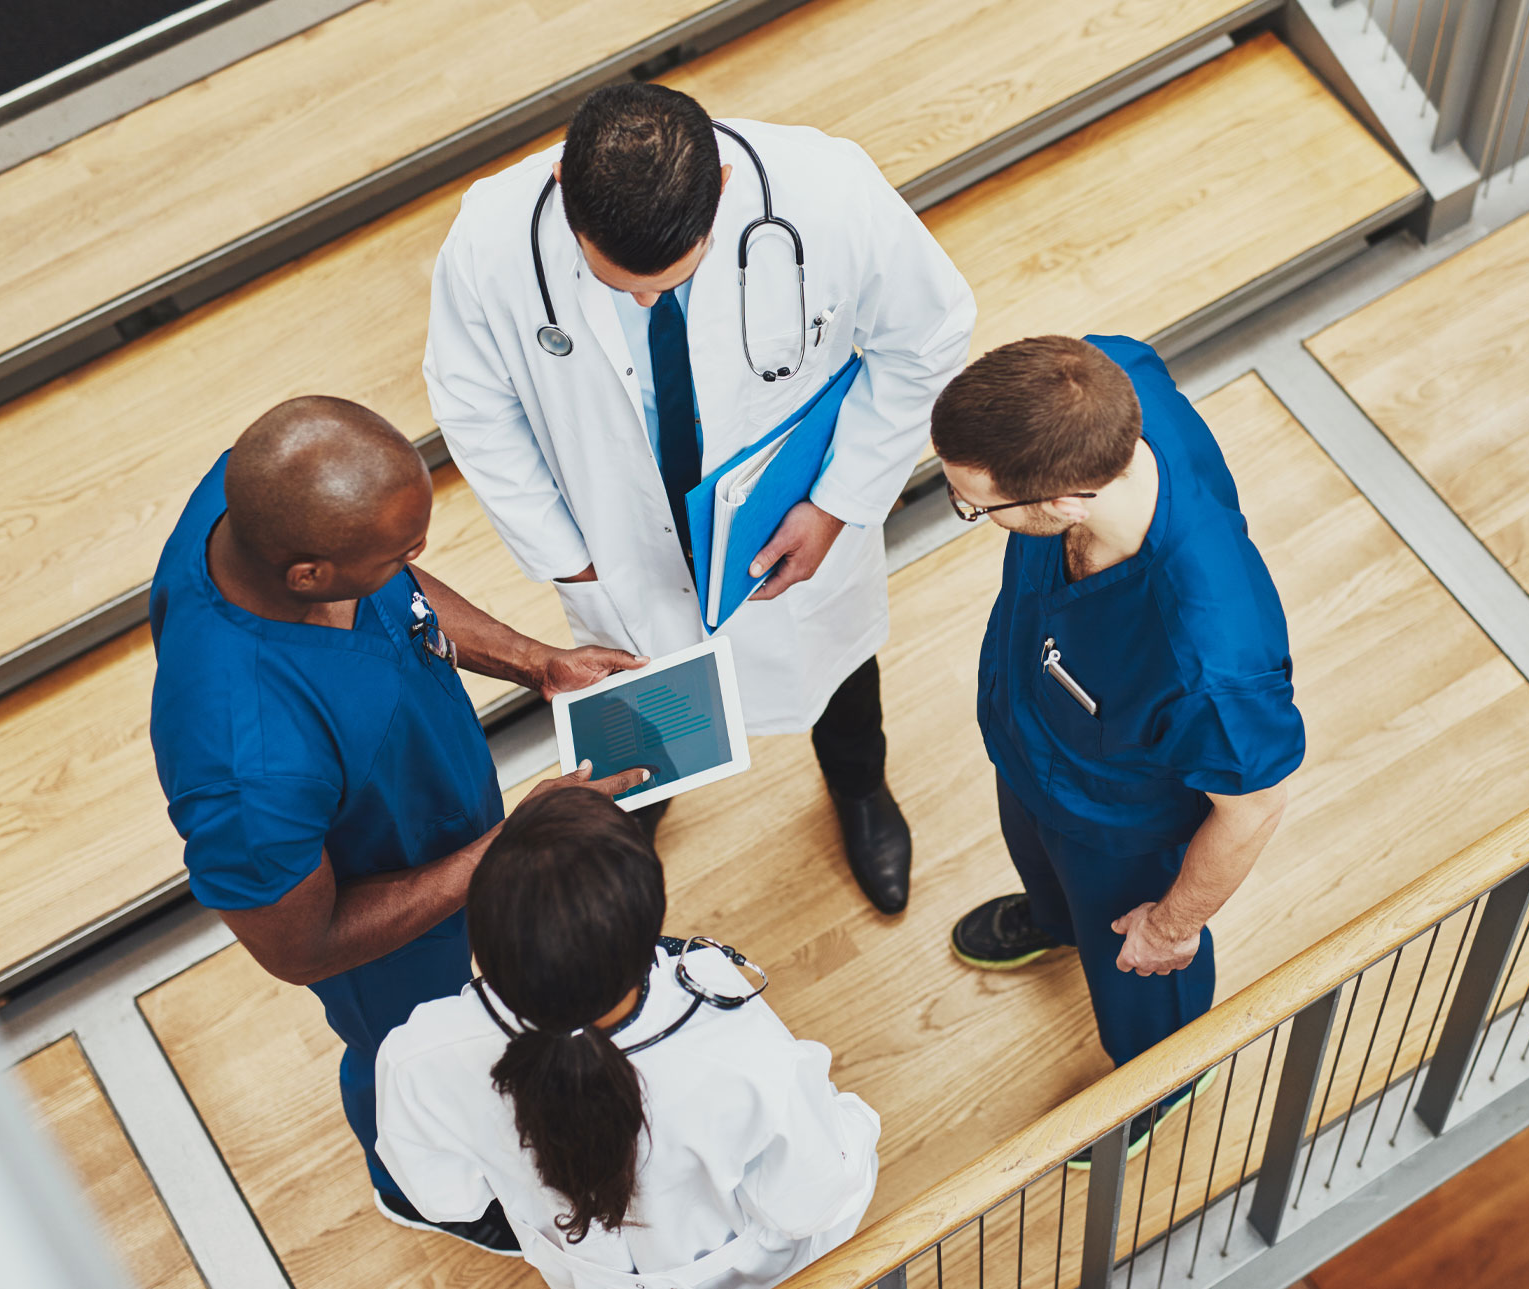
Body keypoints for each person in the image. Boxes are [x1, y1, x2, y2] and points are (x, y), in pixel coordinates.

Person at [424, 81, 976, 914]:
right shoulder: (490, 239)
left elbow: (928, 340)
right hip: (615, 544)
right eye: (618, 284)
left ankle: (861, 790)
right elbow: (471, 405)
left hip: (795, 526)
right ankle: (640, 807)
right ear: (564, 193)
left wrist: (838, 500)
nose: (645, 301)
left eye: (667, 281)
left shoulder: (828, 189)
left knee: (838, 669)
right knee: (638, 696)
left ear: (720, 188)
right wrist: (567, 560)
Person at [147, 396, 649, 1253]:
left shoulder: (254, 499)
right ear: (308, 573)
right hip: (386, 934)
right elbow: (300, 946)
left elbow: (397, 601)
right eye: (399, 551)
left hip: (450, 827)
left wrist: (541, 664)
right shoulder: (243, 758)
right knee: (413, 1055)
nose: (416, 561)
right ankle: (416, 1191)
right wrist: (510, 846)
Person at [935, 336, 1303, 1161]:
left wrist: (1174, 924)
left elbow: (1255, 807)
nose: (966, 514)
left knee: (1138, 977)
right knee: (1038, 860)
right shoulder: (1100, 374)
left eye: (975, 506)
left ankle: (1165, 1074)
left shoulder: (1214, 651)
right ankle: (1055, 919)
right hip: (1031, 745)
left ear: (1064, 503)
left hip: (1122, 826)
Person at [376, 788, 880, 1288]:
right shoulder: (735, 1041)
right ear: (650, 930)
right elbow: (812, 1198)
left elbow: (445, 1198)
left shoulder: (419, 1055)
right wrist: (857, 1122)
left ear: (482, 946)